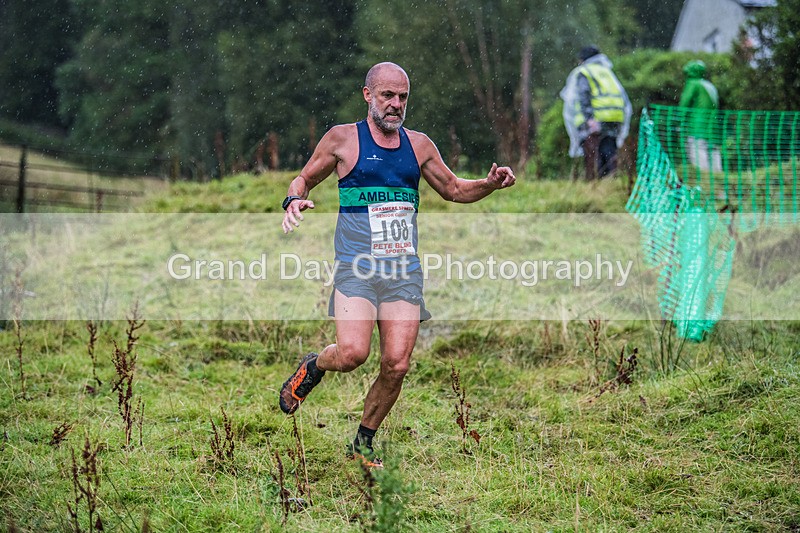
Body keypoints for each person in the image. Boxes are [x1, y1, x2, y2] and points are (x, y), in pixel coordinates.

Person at [278, 62, 516, 467]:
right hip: (356, 269)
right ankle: (315, 365)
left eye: (403, 97)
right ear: (368, 95)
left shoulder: (419, 145)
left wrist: (489, 185)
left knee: (397, 363)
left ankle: (363, 443)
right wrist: (294, 200)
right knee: (353, 354)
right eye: (387, 96)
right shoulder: (342, 139)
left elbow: (455, 189)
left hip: (402, 273)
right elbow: (302, 179)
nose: (395, 105)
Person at [560, 45, 632, 180]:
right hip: (614, 117)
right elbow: (623, 98)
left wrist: (589, 119)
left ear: (582, 59)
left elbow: (583, 95)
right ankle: (611, 181)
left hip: (595, 119)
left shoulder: (584, 72)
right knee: (609, 150)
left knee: (593, 153)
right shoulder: (606, 72)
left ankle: (594, 184)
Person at [679, 59, 721, 172]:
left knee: (700, 166)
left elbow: (684, 105)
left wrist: (679, 122)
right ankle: (718, 188)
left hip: (697, 129)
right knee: (715, 164)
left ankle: (704, 187)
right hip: (713, 131)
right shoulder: (710, 86)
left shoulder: (693, 83)